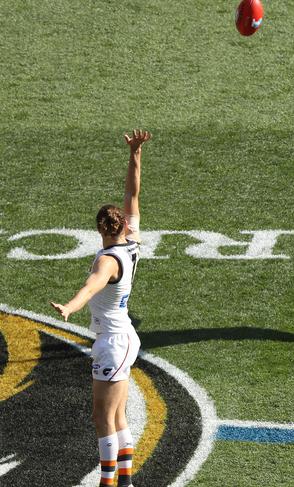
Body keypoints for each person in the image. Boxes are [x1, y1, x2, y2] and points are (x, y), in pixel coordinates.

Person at [50, 129, 152, 487]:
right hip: (124, 337)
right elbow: (133, 193)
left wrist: (70, 307)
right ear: (123, 224)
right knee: (117, 414)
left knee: (102, 416)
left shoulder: (107, 261)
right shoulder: (132, 241)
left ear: (99, 229)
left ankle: (108, 482)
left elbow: (89, 288)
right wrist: (135, 153)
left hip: (113, 341)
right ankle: (123, 480)